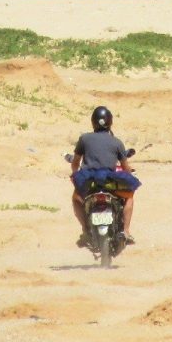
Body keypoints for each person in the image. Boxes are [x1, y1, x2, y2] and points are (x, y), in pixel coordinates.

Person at [70, 105, 140, 247]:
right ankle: (125, 231)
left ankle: (85, 229)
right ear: (110, 122)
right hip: (110, 181)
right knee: (129, 197)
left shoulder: (84, 139)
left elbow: (75, 162)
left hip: (89, 181)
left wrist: (75, 173)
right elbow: (125, 167)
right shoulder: (117, 142)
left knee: (76, 199)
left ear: (93, 121)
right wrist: (129, 173)